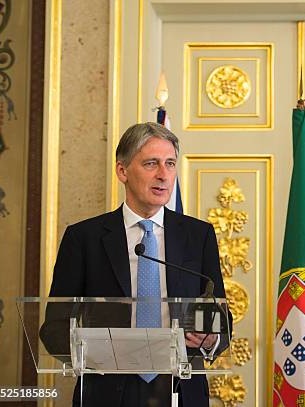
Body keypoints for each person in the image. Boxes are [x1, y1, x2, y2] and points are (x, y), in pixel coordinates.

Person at [41, 122, 230, 406]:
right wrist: (95, 352)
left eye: (170, 164)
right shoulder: (84, 238)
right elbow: (54, 327)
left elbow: (220, 319)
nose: (163, 175)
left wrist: (209, 339)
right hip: (105, 391)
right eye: (151, 163)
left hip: (180, 388)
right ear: (122, 171)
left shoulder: (198, 235)